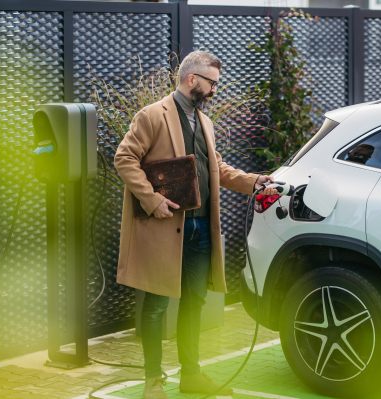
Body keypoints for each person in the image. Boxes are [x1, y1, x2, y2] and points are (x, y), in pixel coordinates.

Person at [114, 51, 277, 399]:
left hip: (201, 228)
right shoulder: (151, 116)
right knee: (157, 306)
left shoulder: (206, 122)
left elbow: (218, 169)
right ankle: (152, 382)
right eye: (212, 83)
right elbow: (124, 158)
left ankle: (191, 375)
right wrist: (151, 198)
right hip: (163, 230)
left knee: (194, 304)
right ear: (192, 80)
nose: (215, 89)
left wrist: (255, 181)